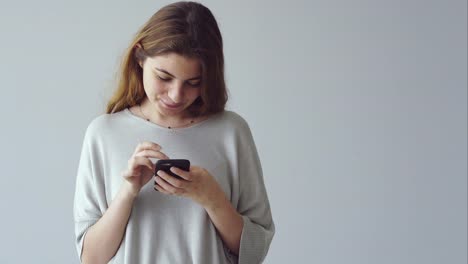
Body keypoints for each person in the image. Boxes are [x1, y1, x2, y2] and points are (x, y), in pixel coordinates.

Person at [73, 1, 275, 263]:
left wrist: (212, 198)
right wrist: (128, 190)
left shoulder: (231, 132)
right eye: (164, 77)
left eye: (193, 83)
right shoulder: (103, 133)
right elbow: (91, 258)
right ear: (139, 58)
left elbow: (255, 253)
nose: (176, 95)